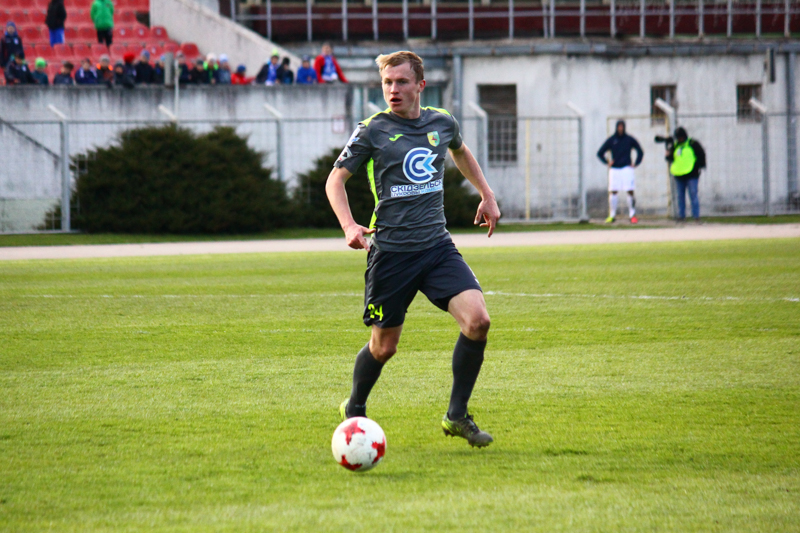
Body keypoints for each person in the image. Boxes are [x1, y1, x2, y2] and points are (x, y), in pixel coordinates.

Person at [325, 51, 500, 448]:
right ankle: (355, 408)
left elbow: (459, 150)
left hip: (437, 247)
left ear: (421, 85)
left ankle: (457, 415)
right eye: (387, 83)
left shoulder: (442, 122)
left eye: (402, 82)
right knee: (384, 346)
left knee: (478, 321)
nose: (393, 90)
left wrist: (486, 195)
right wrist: (349, 225)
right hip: (392, 254)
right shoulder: (372, 130)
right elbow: (335, 181)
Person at [596, 119, 644, 224]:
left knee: (630, 190)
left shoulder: (629, 139)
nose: (620, 129)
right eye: (619, 127)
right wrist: (607, 162)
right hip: (615, 169)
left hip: (627, 168)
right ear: (616, 128)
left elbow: (640, 151)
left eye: (622, 127)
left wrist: (636, 163)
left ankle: (632, 215)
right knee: (613, 191)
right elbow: (600, 153)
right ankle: (612, 215)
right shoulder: (612, 139)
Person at [668, 127, 706, 223]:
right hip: (679, 174)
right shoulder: (675, 146)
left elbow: (701, 155)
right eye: (678, 138)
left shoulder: (693, 143)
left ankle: (696, 216)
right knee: (680, 196)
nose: (679, 139)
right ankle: (681, 216)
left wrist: (698, 166)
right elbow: (670, 158)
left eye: (680, 137)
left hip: (692, 175)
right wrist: (668, 149)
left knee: (693, 194)